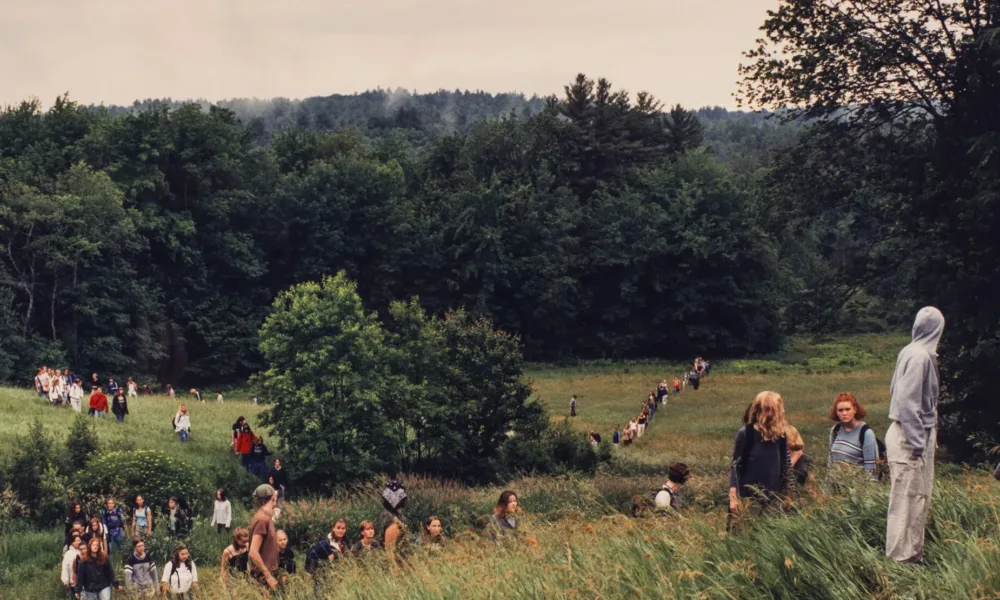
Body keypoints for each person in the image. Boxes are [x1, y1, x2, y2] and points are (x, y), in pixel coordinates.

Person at [886, 306, 945, 564]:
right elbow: (907, 402)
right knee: (905, 501)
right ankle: (901, 561)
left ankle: (913, 555)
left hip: (914, 434)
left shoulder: (914, 353)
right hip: (909, 437)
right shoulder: (919, 356)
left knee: (918, 498)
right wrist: (918, 444)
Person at [728, 391, 795, 518]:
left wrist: (788, 494)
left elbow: (786, 466)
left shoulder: (781, 435)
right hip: (747, 499)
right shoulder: (745, 434)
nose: (783, 411)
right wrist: (733, 498)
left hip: (774, 500)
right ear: (767, 411)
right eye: (779, 408)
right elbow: (735, 466)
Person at [828, 392, 880, 478]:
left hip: (856, 486)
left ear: (855, 410)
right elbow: (830, 460)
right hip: (836, 484)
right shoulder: (835, 430)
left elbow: (871, 469)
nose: (844, 413)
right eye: (840, 410)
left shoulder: (866, 433)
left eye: (848, 409)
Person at [248, 484, 281, 593]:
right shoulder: (262, 519)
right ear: (273, 498)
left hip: (269, 573)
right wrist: (268, 577)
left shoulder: (266, 517)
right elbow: (253, 552)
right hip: (262, 577)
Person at [377, 479, 410, 563]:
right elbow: (389, 550)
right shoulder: (390, 517)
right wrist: (394, 570)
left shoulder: (398, 516)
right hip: (395, 562)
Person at [61, 534, 83, 599]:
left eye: (79, 540)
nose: (78, 542)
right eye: (75, 541)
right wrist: (66, 581)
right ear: (72, 542)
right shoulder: (68, 554)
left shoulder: (84, 551)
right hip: (74, 583)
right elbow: (65, 568)